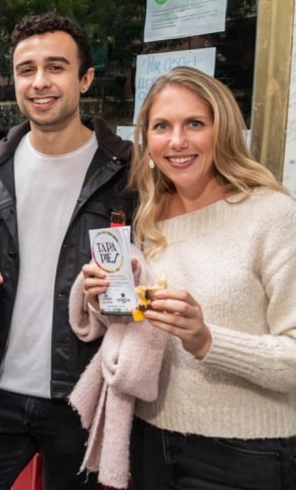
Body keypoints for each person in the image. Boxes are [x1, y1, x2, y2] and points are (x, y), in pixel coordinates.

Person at [81, 66, 296, 487]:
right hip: (148, 440)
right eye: (162, 126)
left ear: (224, 130)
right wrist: (106, 299)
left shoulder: (272, 216)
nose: (177, 141)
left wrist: (206, 339)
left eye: (194, 124)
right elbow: (139, 328)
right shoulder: (148, 217)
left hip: (244, 452)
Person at [0, 12, 136, 490]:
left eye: (56, 67)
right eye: (26, 69)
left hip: (83, 394)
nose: (39, 82)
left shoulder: (127, 171)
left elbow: (147, 277)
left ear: (85, 77)